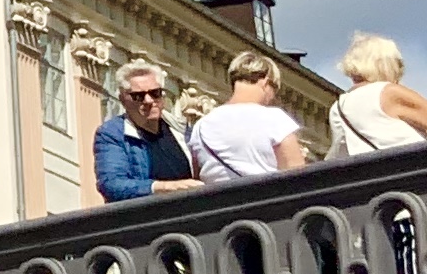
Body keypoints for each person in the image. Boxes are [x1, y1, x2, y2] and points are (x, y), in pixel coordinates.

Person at [187, 51, 310, 180]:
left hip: (217, 193)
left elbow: (197, 178)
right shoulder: (275, 119)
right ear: (266, 83)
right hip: (264, 192)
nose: (273, 98)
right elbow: (297, 177)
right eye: (275, 89)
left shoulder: (200, 126)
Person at [92, 61, 194, 200]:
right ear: (123, 100)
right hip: (148, 212)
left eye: (155, 93)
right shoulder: (112, 133)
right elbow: (111, 184)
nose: (148, 100)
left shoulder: (180, 129)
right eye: (138, 96)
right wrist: (164, 187)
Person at [331, 32, 427, 156]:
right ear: (387, 65)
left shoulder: (338, 107)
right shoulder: (388, 93)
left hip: (373, 168)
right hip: (415, 165)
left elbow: (340, 153)